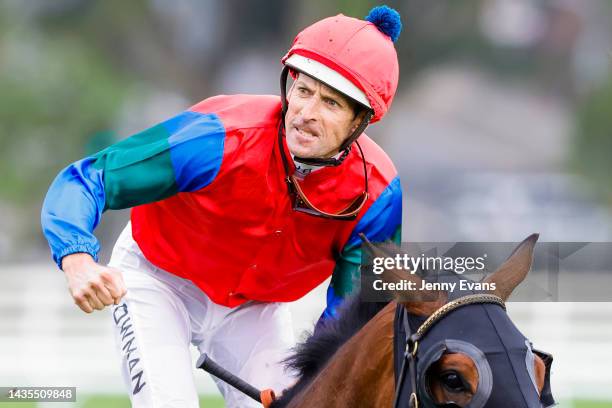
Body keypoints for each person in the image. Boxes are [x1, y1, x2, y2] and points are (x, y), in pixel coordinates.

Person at [41, 5, 403, 408]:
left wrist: (315, 384)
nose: (305, 114)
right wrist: (76, 256)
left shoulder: (379, 194)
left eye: (331, 104)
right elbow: (89, 177)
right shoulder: (217, 136)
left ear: (361, 121)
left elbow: (348, 316)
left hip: (254, 311)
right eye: (303, 91)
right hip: (158, 281)